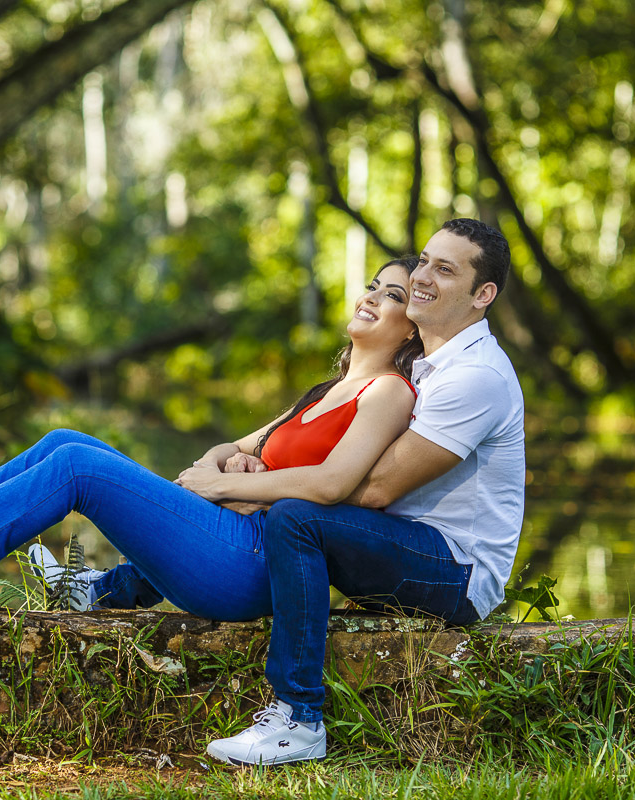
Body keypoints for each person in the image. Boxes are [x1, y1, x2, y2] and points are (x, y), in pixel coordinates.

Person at [0, 256, 425, 623]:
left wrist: (227, 481)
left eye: (392, 295)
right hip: (229, 532)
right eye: (374, 284)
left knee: (77, 466)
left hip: (258, 564)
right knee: (66, 439)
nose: (372, 297)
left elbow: (337, 485)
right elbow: (220, 450)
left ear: (410, 326)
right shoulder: (325, 390)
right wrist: (227, 464)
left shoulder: (389, 393)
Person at [202, 218, 526, 766]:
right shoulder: (426, 364)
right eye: (424, 260)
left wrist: (255, 489)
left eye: (445, 270)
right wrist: (261, 471)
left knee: (296, 518)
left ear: (483, 294)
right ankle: (106, 589)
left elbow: (372, 489)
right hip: (407, 542)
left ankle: (299, 720)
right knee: (288, 511)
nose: (423, 276)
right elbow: (340, 462)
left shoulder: (476, 376)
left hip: (457, 571)